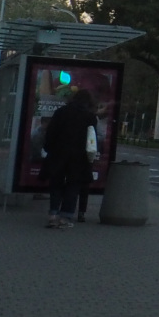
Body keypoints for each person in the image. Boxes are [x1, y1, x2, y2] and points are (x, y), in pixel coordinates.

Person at [41, 90, 98, 230]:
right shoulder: (90, 117)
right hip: (79, 158)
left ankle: (53, 215)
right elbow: (92, 139)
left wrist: (49, 149)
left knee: (56, 184)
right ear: (88, 102)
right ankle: (65, 218)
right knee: (74, 185)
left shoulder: (61, 112)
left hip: (58, 154)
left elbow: (50, 133)